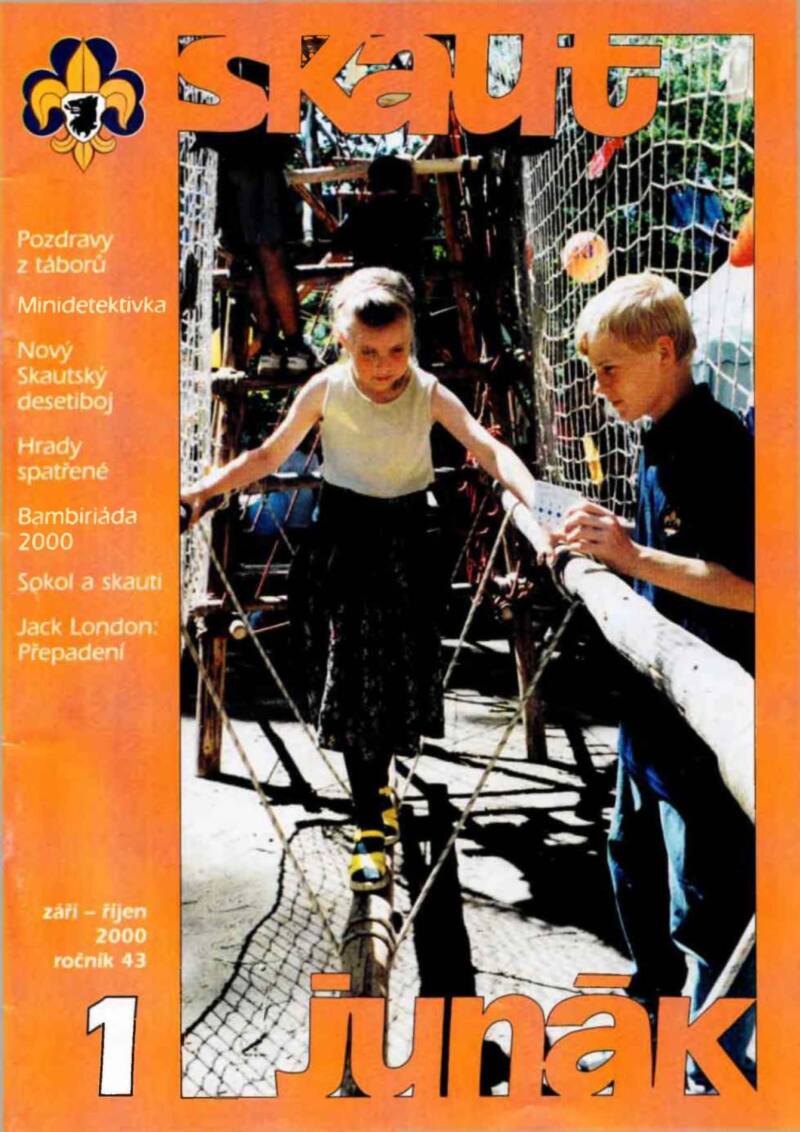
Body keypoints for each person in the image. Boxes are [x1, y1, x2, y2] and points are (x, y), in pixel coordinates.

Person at [182, 267, 539, 892]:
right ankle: (369, 821)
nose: (383, 365)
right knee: (351, 678)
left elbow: (487, 448)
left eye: (396, 350)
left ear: (412, 340)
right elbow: (266, 456)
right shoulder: (325, 389)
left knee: (397, 675)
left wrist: (539, 502)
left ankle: (379, 795)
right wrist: (203, 493)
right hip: (344, 544)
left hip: (408, 545)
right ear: (343, 342)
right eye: (368, 351)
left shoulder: (427, 392)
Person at [549, 272, 755, 1088]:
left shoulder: (721, 449)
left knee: (707, 915)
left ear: (665, 352)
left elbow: (757, 587)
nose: (599, 388)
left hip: (709, 731)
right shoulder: (654, 435)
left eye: (609, 369)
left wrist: (631, 556)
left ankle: (713, 1082)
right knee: (631, 868)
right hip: (649, 714)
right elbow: (667, 554)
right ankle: (654, 1034)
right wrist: (606, 544)